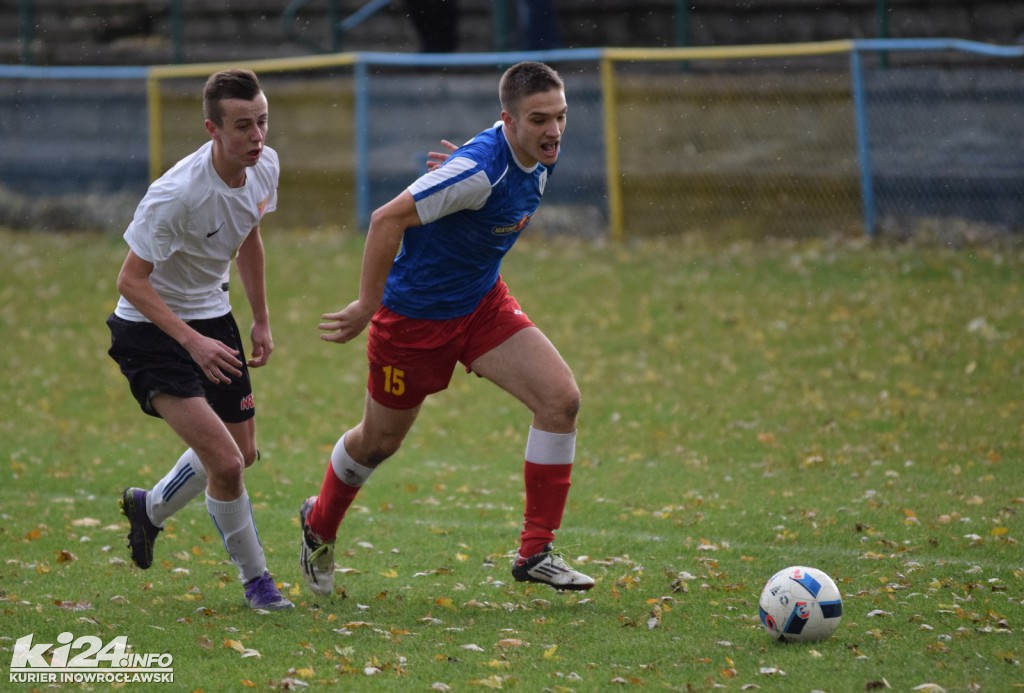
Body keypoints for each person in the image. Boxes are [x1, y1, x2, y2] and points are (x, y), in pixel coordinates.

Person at [298, 61, 594, 597]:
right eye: (538, 120)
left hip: (481, 305)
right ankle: (319, 524)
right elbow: (387, 219)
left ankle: (535, 552)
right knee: (378, 443)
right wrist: (367, 303)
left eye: (560, 116)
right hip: (414, 321)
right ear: (508, 120)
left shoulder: (528, 154)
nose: (553, 131)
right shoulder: (480, 169)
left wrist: (452, 180)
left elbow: (486, 181)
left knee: (561, 400)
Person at [107, 69, 293, 610]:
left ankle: (151, 508)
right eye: (242, 126)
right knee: (227, 464)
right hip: (149, 331)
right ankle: (257, 583)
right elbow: (130, 281)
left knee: (243, 452)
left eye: (262, 122)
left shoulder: (265, 167)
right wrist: (191, 341)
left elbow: (249, 235)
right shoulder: (175, 195)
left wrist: (260, 318)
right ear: (212, 128)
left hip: (214, 319)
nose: (256, 136)